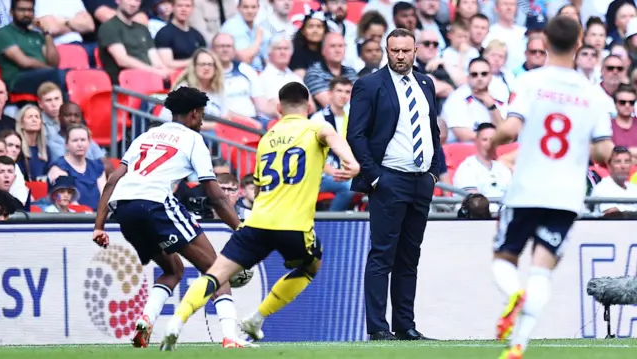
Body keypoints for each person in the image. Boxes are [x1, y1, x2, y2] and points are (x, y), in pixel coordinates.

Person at [159, 82, 360, 351]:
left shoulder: (267, 138)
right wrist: (351, 162)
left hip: (257, 220)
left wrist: (322, 168)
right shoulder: (315, 127)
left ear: (278, 108)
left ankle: (177, 320)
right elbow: (331, 138)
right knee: (311, 267)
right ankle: (257, 317)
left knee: (216, 274)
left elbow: (273, 174)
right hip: (293, 224)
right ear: (309, 107)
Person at [488, 16, 614, 359]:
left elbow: (511, 127)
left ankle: (514, 293)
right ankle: (518, 345)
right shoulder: (593, 94)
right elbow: (604, 150)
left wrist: (491, 144)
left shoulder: (531, 81)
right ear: (579, 43)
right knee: (542, 268)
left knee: (504, 259)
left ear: (544, 41)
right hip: (566, 195)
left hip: (528, 187)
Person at [91, 87, 250, 349]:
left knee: (172, 270)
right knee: (217, 271)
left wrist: (99, 226)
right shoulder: (194, 139)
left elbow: (113, 180)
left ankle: (145, 321)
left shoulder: (146, 135)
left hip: (125, 210)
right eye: (201, 116)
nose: (201, 121)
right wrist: (240, 228)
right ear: (194, 113)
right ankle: (230, 336)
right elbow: (216, 195)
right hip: (155, 204)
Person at [347, 28, 441, 341]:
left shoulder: (426, 83)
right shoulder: (369, 84)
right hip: (390, 179)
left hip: (420, 180)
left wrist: (434, 171)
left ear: (415, 51)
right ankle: (377, 327)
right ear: (387, 51)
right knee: (382, 255)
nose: (400, 56)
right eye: (394, 51)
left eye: (405, 50)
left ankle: (405, 325)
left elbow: (432, 130)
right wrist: (375, 177)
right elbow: (355, 134)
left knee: (409, 257)